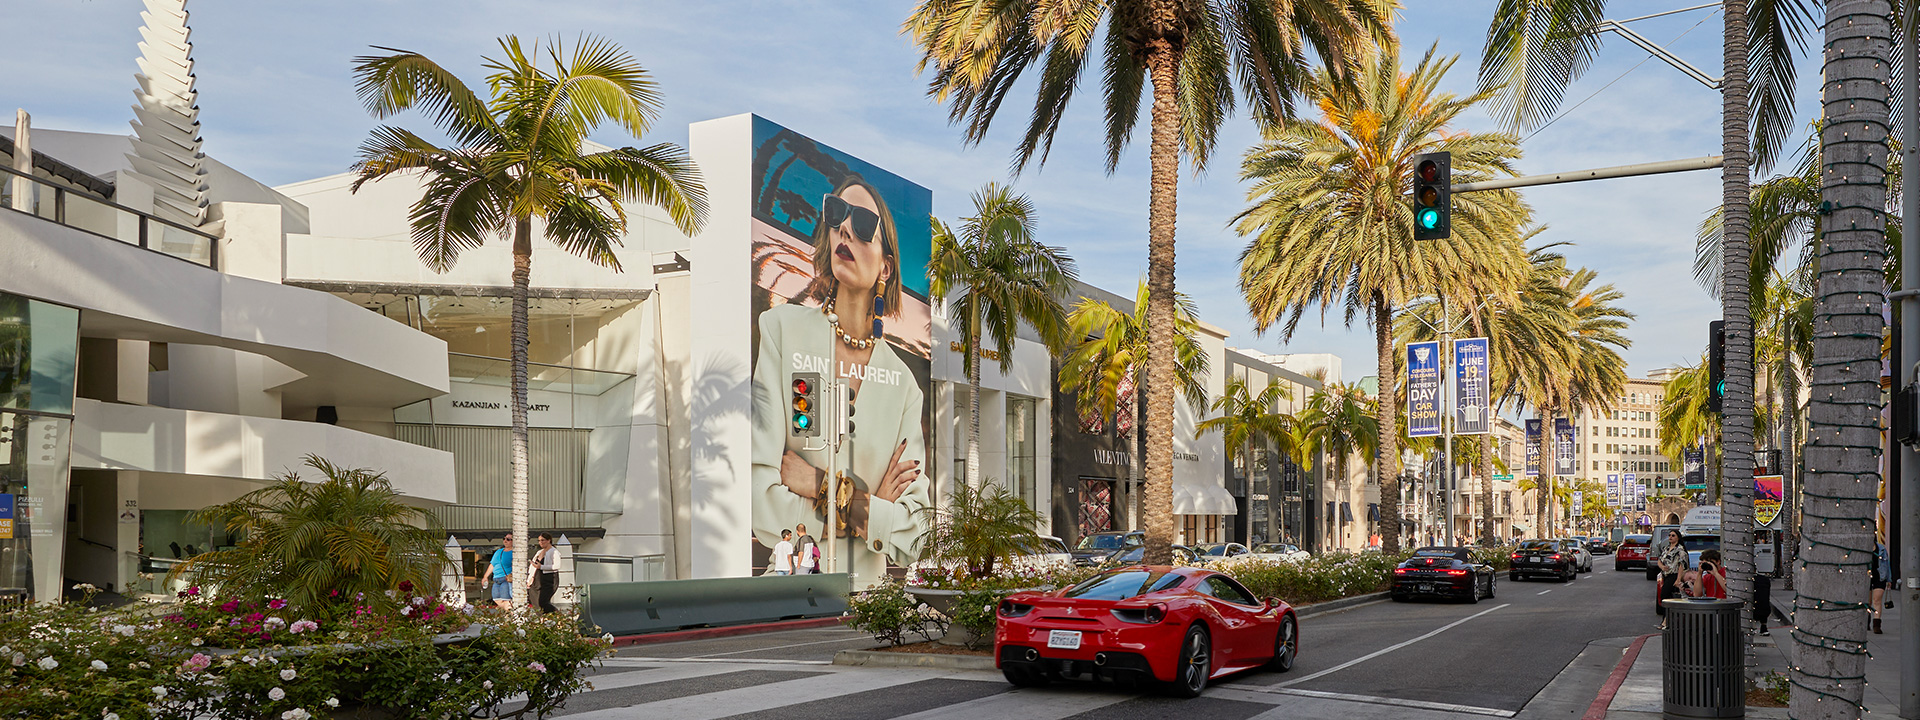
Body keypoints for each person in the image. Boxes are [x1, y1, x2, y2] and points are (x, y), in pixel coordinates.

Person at [751, 177, 931, 583]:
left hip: (873, 613)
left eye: (863, 223)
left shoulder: (903, 386)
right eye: (835, 215)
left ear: (886, 265)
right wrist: (869, 510)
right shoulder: (781, 330)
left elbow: (915, 533)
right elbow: (758, 497)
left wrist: (817, 484)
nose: (844, 229)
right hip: (790, 601)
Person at [1657, 529, 1686, 628]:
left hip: (1674, 575)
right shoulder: (1666, 548)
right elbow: (1659, 560)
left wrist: (1678, 579)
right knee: (1667, 598)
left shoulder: (1680, 549)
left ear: (1678, 537)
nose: (1670, 537)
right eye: (1669, 535)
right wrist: (1662, 567)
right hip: (1666, 575)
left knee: (1665, 596)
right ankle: (1666, 621)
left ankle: (1665, 622)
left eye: (1673, 535)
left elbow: (1682, 565)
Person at [528, 533, 560, 614]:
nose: (540, 542)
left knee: (543, 601)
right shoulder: (539, 552)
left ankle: (557, 614)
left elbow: (557, 566)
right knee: (534, 600)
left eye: (543, 540)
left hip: (549, 579)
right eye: (539, 541)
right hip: (537, 579)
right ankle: (541, 619)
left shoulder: (554, 552)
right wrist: (529, 579)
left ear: (549, 540)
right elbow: (533, 567)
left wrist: (541, 567)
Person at [485, 534, 514, 610]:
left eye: (508, 539)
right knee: (496, 598)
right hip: (496, 579)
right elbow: (492, 564)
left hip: (506, 579)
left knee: (506, 599)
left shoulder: (515, 553)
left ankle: (509, 616)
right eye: (504, 538)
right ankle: (509, 612)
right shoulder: (499, 552)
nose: (505, 541)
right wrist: (485, 577)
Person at [1871, 541, 1890, 634]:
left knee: (1877, 600)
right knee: (1867, 601)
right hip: (1866, 576)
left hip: (1880, 576)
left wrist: (1889, 579)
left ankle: (1876, 625)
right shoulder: (1862, 547)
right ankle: (1865, 622)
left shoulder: (1881, 548)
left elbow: (1887, 564)